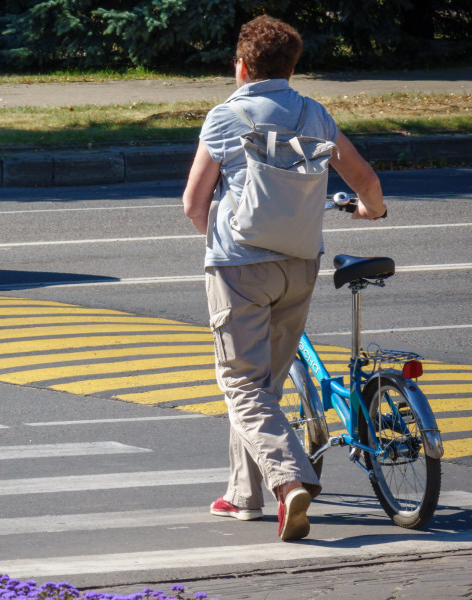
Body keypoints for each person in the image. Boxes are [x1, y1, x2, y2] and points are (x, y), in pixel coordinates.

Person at [182, 14, 386, 541]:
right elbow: (363, 179)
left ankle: (288, 481)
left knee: (241, 384)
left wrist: (221, 243)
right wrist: (371, 212)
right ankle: (243, 496)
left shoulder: (225, 116)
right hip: (301, 265)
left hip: (239, 268)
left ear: (243, 65)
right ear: (292, 66)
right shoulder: (316, 114)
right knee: (263, 385)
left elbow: (193, 202)